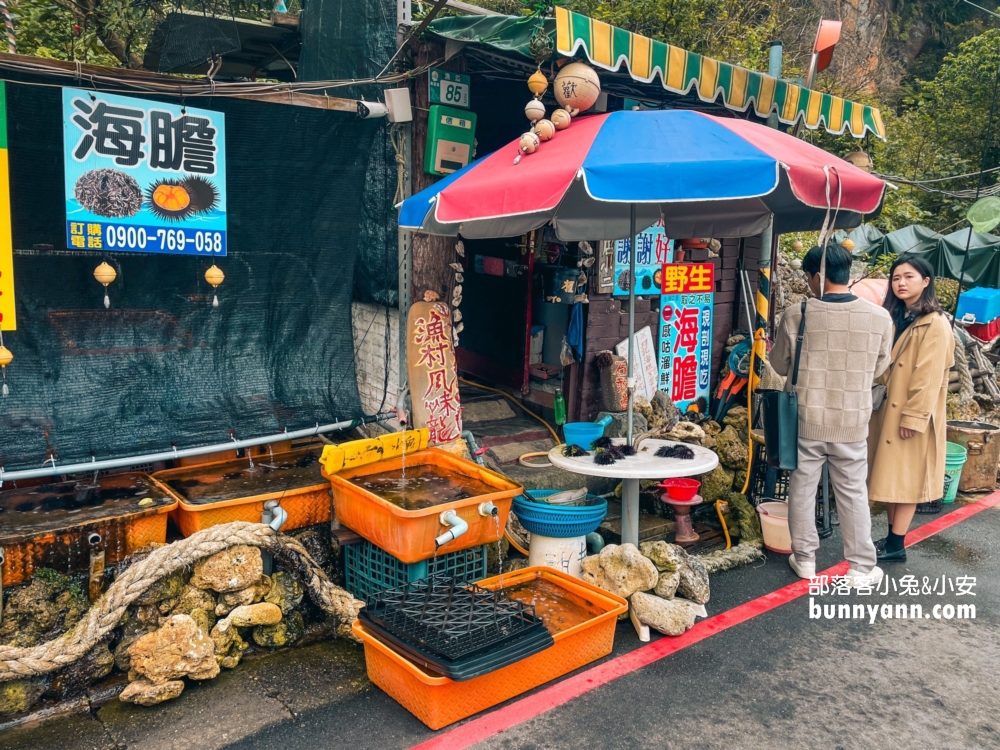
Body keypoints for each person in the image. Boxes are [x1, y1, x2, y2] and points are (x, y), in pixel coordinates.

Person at [771, 243, 893, 587]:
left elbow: (780, 366)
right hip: (853, 421)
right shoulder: (880, 317)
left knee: (802, 489)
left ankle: (806, 559)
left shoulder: (797, 314)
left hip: (806, 419)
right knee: (853, 492)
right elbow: (879, 367)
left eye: (810, 277)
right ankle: (860, 567)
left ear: (819, 276)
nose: (809, 283)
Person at [867, 255, 954, 562]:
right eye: (896, 278)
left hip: (910, 414)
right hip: (889, 410)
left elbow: (928, 377)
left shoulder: (935, 323)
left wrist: (914, 418)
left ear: (926, 282)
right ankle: (892, 539)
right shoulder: (896, 315)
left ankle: (896, 544)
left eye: (909, 277)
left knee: (906, 479)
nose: (901, 283)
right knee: (894, 477)